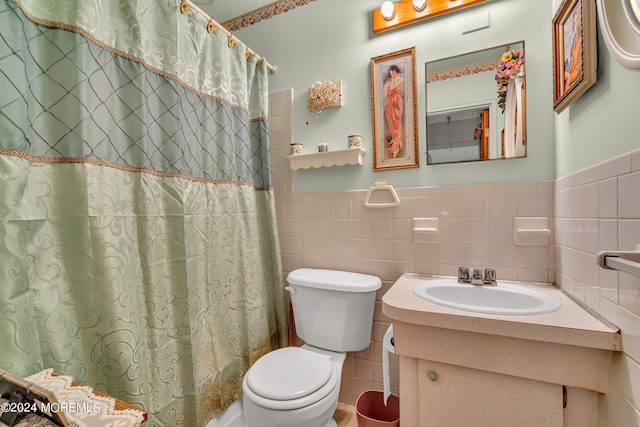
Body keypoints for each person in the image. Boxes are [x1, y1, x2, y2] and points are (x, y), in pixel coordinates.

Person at [383, 65, 404, 158]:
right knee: (389, 119)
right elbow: (388, 90)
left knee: (396, 121)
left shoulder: (400, 79)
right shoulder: (393, 79)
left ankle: (397, 144)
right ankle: (396, 138)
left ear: (394, 71)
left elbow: (391, 88)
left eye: (390, 71)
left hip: (396, 100)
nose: (389, 73)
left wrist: (392, 80)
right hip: (391, 100)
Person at [564, 5, 582, 91]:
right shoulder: (575, 38)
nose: (576, 25)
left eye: (578, 20)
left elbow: (580, 66)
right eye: (574, 23)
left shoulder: (581, 39)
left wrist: (569, 76)